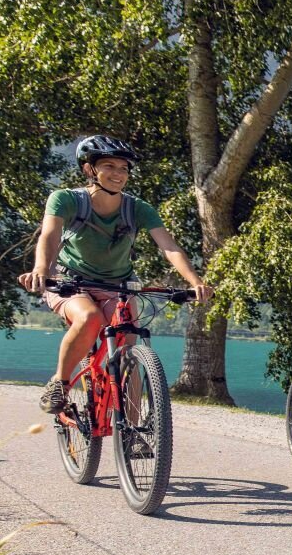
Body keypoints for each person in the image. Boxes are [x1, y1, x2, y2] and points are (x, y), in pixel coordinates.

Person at [20, 135, 211, 414]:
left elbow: (169, 247)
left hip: (117, 285)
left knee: (128, 351)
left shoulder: (137, 208)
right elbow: (50, 235)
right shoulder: (66, 200)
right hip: (69, 281)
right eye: (109, 166)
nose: (118, 174)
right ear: (89, 170)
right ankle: (59, 382)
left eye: (123, 168)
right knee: (89, 318)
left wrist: (195, 282)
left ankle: (135, 433)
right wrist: (40, 269)